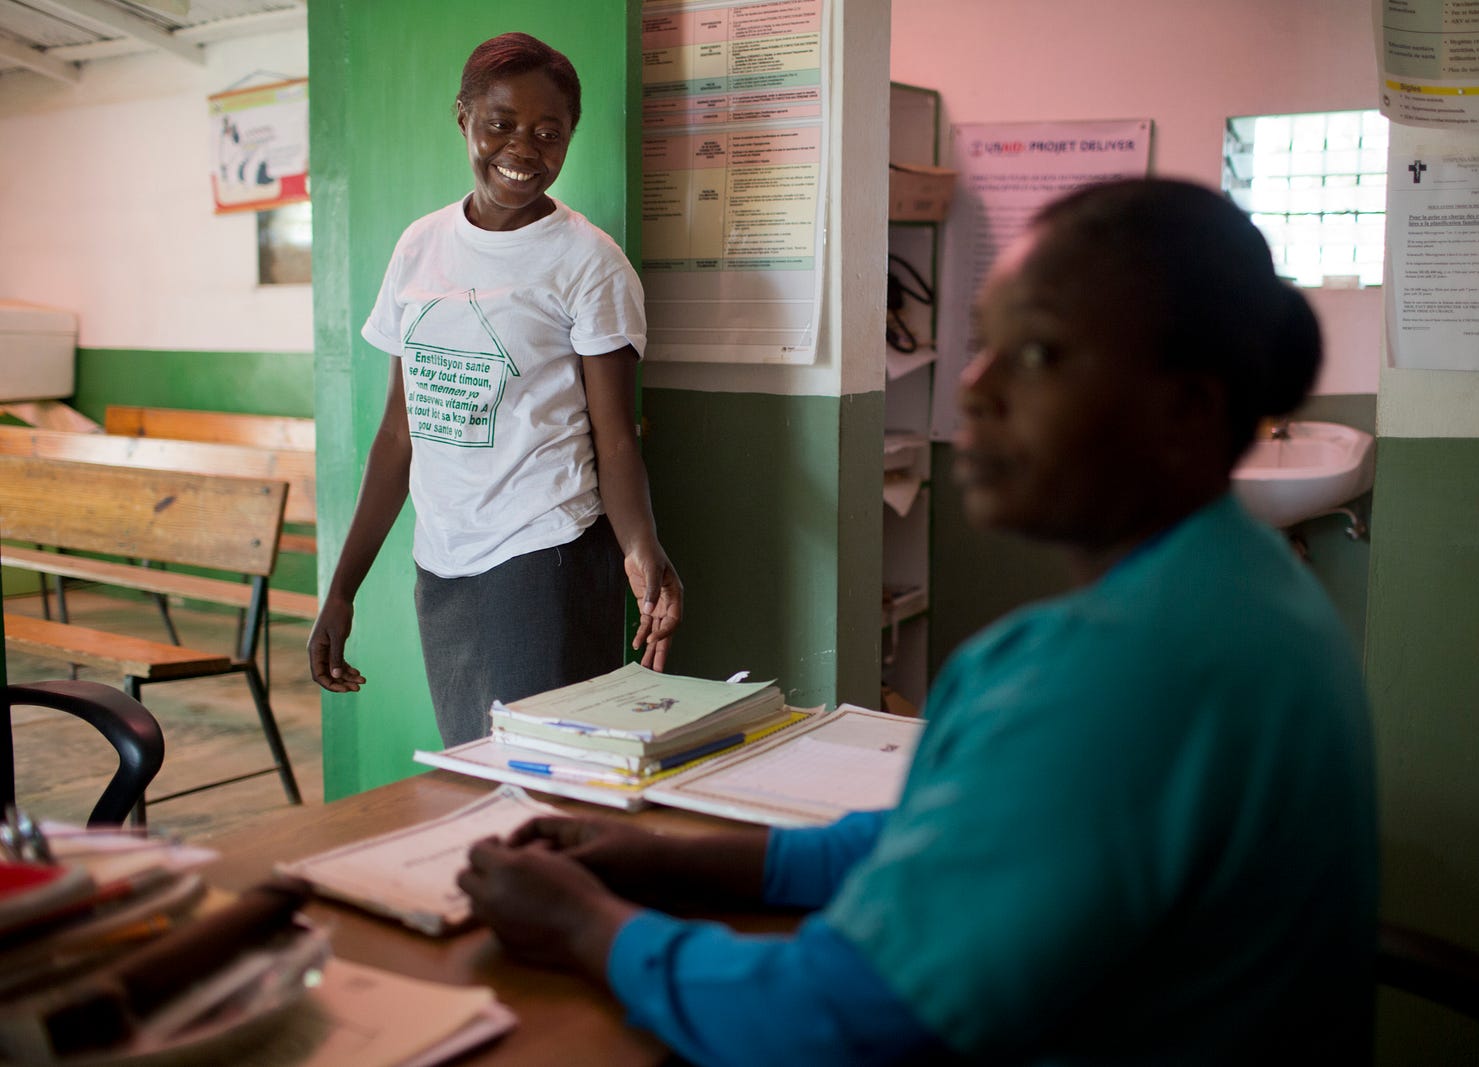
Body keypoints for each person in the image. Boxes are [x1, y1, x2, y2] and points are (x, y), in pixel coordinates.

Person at [456, 178, 1378, 1065]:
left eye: (1037, 354)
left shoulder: (1121, 671)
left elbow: (825, 1019)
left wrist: (582, 922)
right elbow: (942, 834)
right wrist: (662, 860)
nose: (974, 386)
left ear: (1186, 408)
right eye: (983, 342)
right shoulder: (1242, 581)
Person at [308, 32, 683, 746]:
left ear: (569, 137)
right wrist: (342, 589)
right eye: (500, 124)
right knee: (475, 767)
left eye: (548, 132)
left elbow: (615, 438)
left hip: (547, 554)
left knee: (544, 771)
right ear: (464, 118)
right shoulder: (419, 246)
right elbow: (399, 433)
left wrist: (641, 547)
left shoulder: (589, 263)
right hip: (442, 561)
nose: (522, 149)